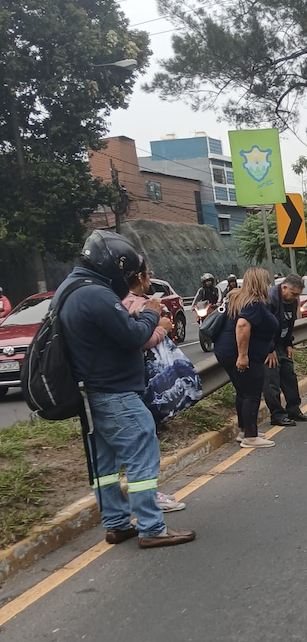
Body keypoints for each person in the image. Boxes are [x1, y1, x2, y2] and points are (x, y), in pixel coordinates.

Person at [57, 230, 195, 548]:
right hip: (113, 393)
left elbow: (111, 332)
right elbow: (133, 336)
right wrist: (149, 312)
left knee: (104, 464)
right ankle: (151, 527)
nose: (128, 278)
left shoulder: (71, 288)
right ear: (112, 265)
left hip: (90, 394)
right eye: (127, 273)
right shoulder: (96, 293)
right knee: (142, 452)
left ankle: (117, 523)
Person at [122, 262, 186, 513]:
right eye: (148, 275)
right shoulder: (133, 304)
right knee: (146, 442)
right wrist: (162, 328)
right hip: (142, 380)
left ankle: (145, 496)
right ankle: (149, 500)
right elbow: (142, 340)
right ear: (139, 277)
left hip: (136, 380)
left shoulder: (124, 301)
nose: (150, 279)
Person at [214, 267, 278, 448]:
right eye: (266, 281)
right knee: (251, 392)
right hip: (240, 354)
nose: (268, 285)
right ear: (260, 283)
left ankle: (244, 431)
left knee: (242, 391)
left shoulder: (237, 299)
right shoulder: (254, 304)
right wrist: (243, 356)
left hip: (225, 352)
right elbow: (242, 326)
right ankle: (251, 437)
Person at [264, 273, 307, 426]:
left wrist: (289, 344)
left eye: (298, 295)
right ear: (284, 287)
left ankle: (294, 410)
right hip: (268, 345)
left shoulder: (292, 301)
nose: (295, 298)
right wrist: (269, 350)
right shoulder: (270, 299)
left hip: (282, 343)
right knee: (272, 379)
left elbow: (290, 323)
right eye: (293, 294)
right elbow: (264, 327)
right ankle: (277, 414)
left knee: (289, 375)